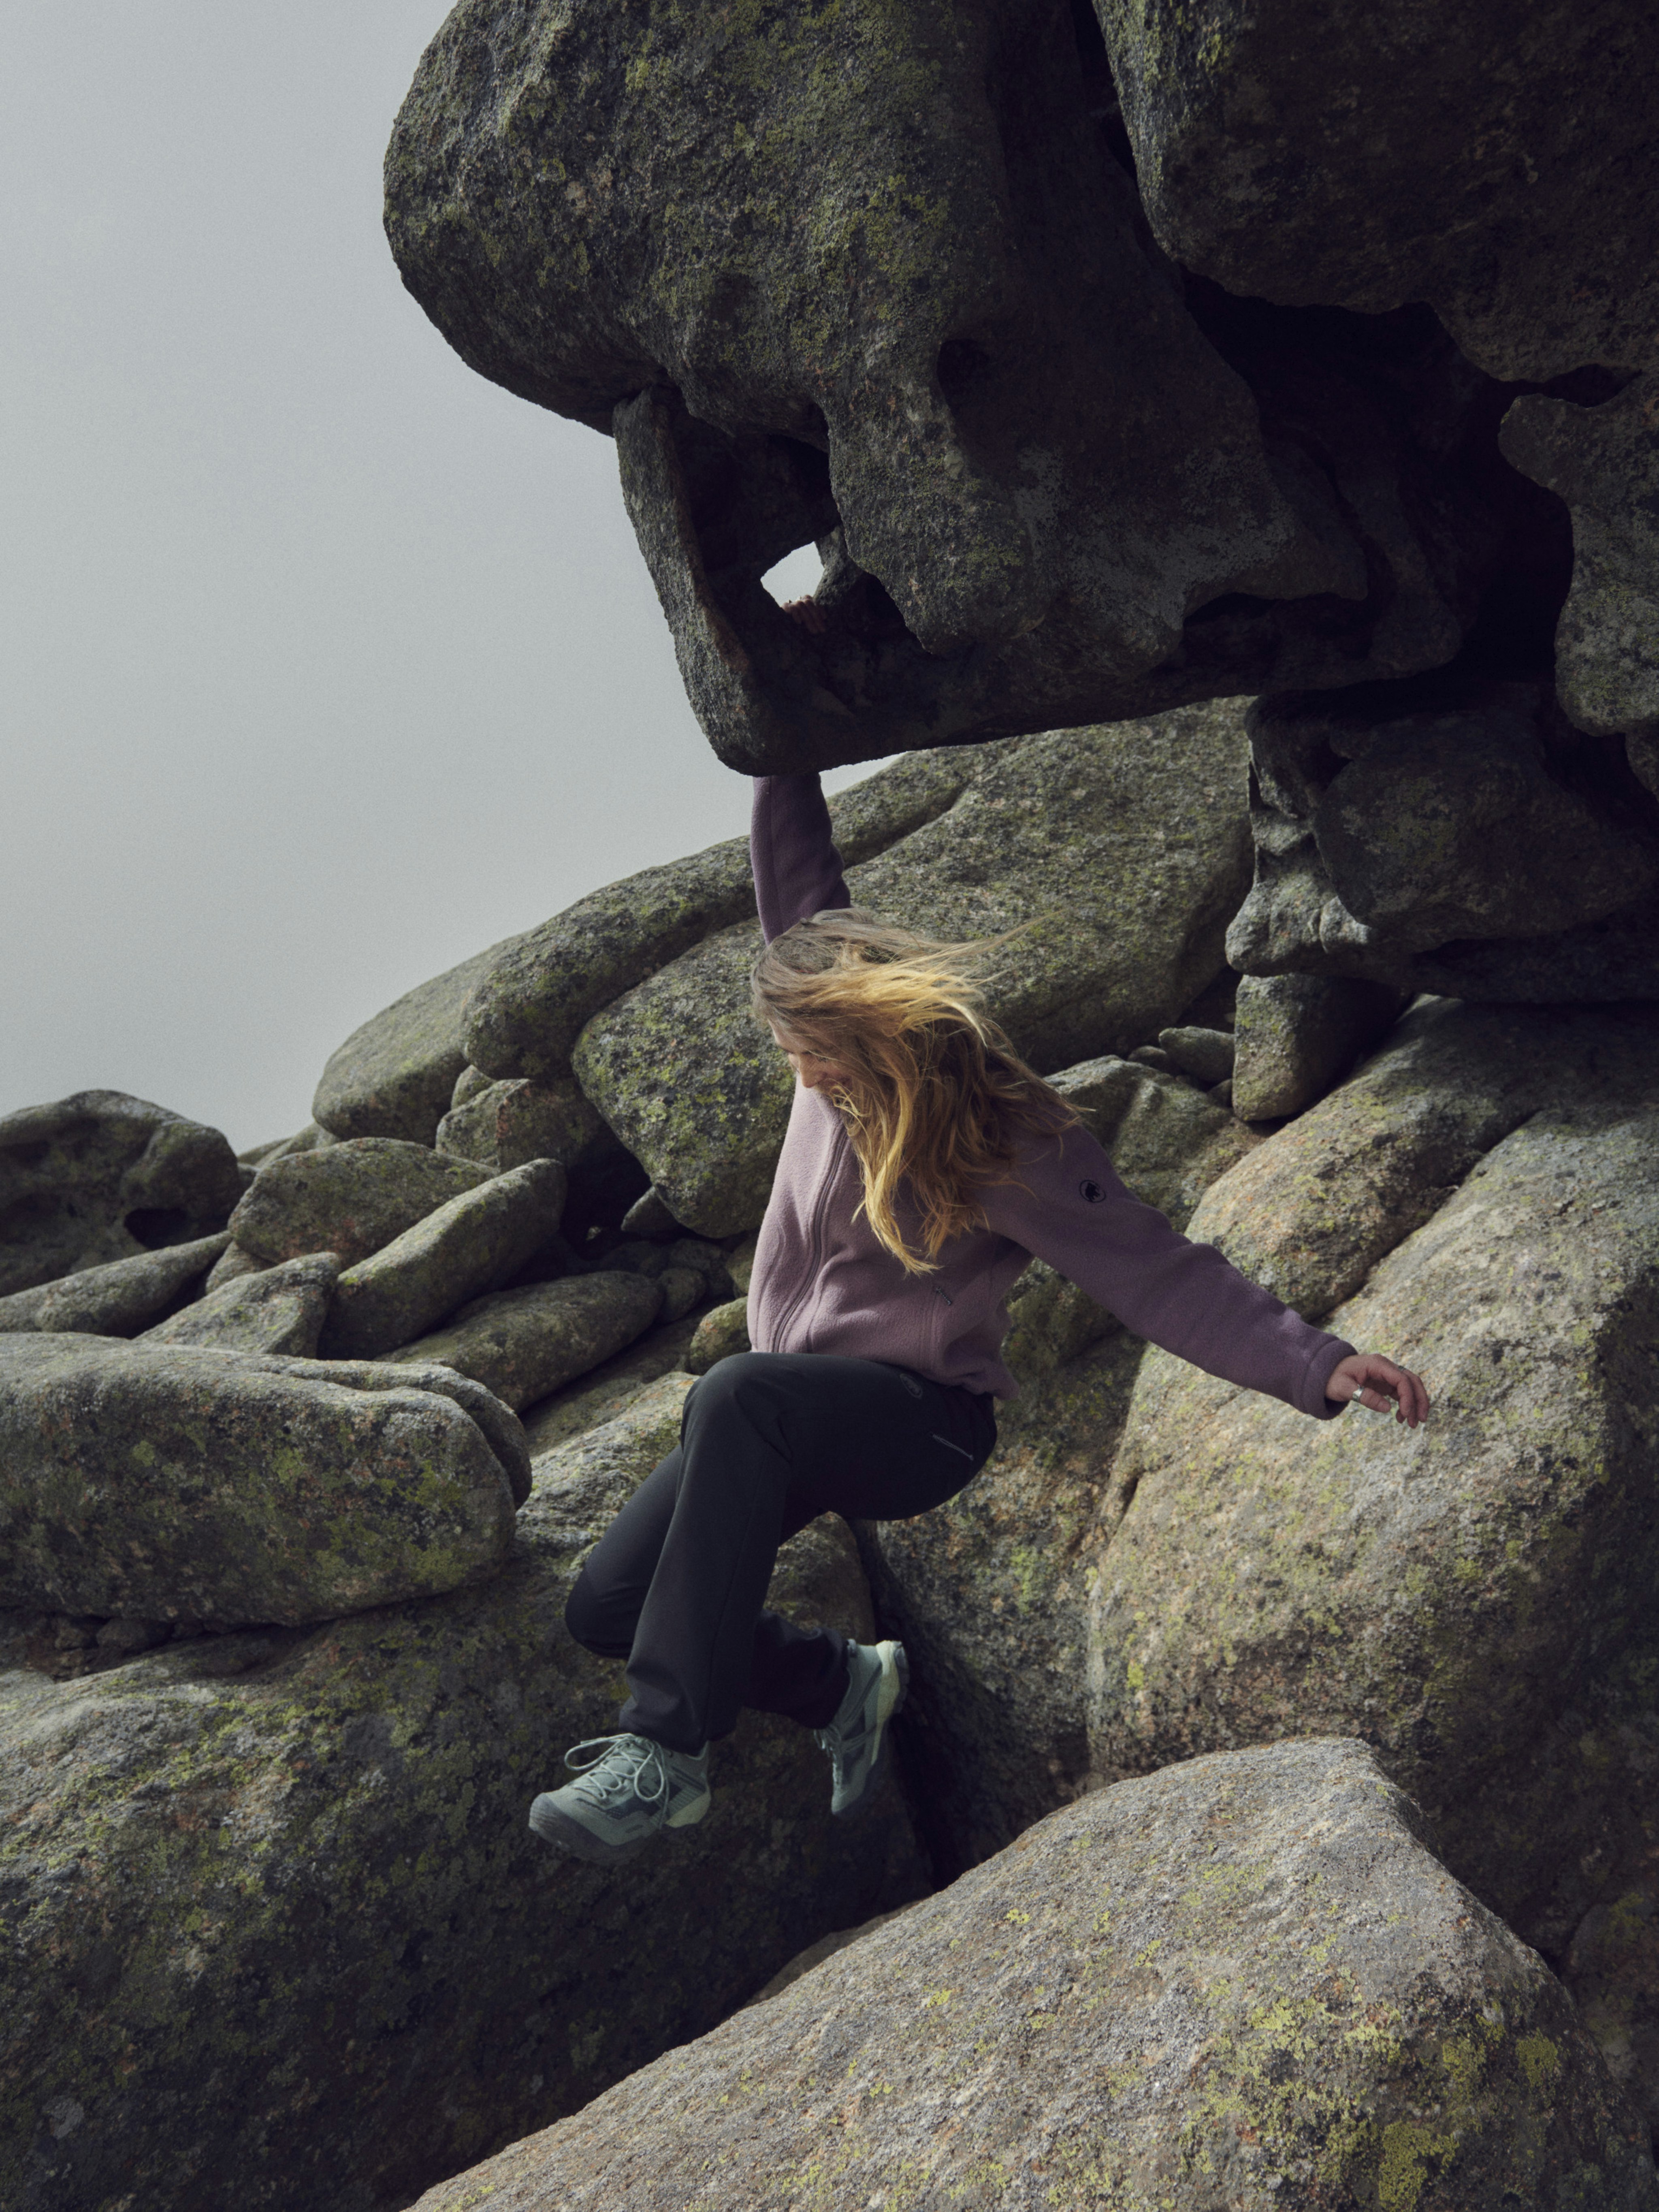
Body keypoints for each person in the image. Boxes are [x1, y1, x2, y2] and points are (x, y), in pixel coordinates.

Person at [528, 769, 1430, 1865]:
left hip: (923, 1426)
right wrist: (779, 740)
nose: (801, 1074)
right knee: (608, 1610)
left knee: (737, 1393)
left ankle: (666, 1756)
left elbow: (1158, 1272)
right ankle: (840, 1681)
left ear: (874, 1032)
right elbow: (798, 874)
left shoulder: (1005, 1135)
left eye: (814, 1054)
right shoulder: (832, 1058)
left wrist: (1317, 1362)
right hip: (795, 1417)